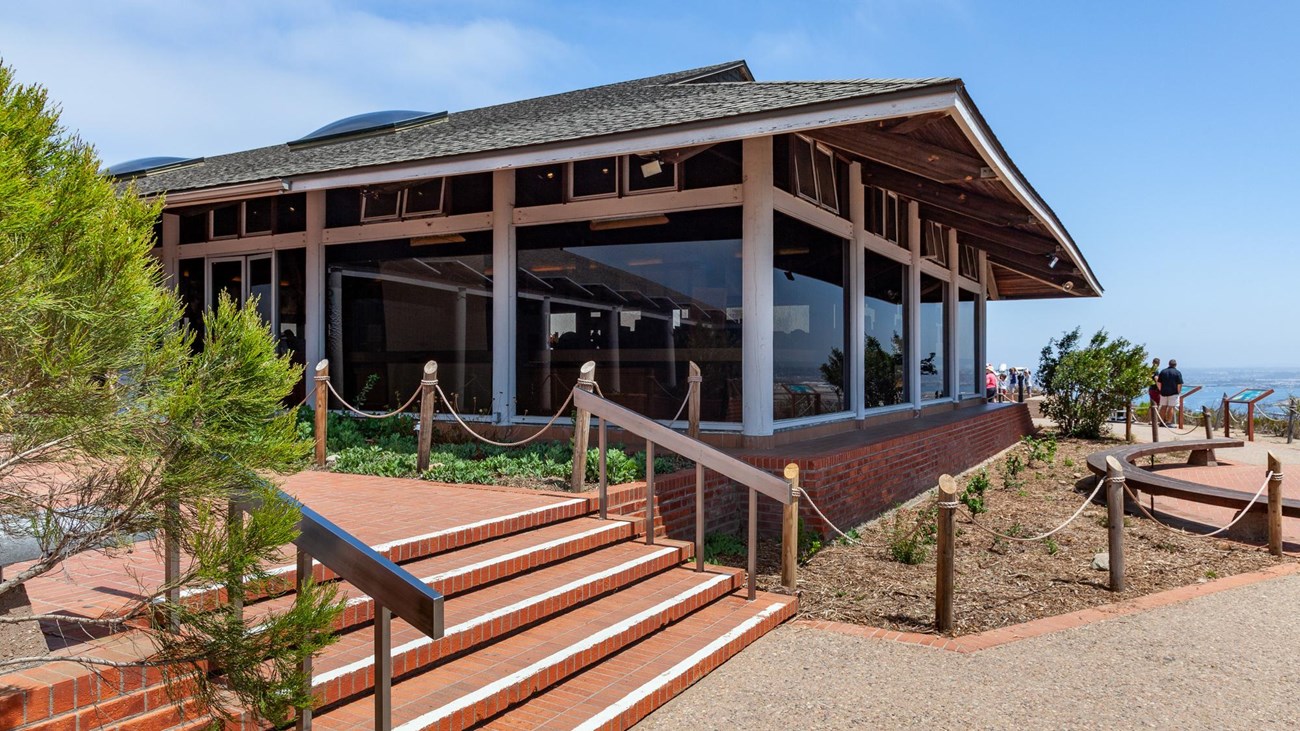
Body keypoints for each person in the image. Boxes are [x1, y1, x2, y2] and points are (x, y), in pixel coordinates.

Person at [1158, 358, 1183, 425]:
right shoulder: (1177, 372)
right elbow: (1179, 384)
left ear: (1169, 364)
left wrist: (1160, 390)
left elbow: (1159, 383)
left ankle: (1161, 421)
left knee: (1163, 406)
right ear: (1175, 365)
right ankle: (1168, 422)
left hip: (1163, 392)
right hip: (1173, 392)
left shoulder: (1163, 371)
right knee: (1171, 407)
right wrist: (1179, 392)